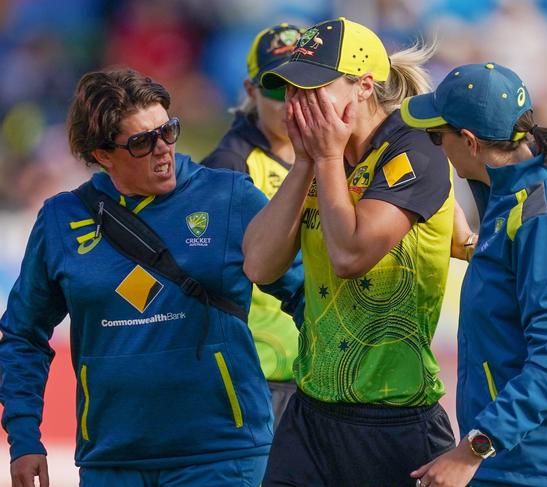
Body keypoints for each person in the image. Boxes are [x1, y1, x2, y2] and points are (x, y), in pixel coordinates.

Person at [0, 68, 302, 487]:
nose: (163, 149)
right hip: (111, 460)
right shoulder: (60, 218)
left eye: (168, 131)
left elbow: (306, 296)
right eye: (143, 141)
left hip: (222, 454)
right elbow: (22, 334)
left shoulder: (230, 196)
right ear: (103, 155)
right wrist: (24, 438)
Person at [243, 17, 474, 487]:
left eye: (314, 88)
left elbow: (350, 256)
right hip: (309, 414)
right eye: (290, 88)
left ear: (364, 87)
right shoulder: (320, 158)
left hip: (393, 420)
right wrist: (307, 160)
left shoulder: (416, 150)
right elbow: (259, 264)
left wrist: (324, 159)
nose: (297, 103)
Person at [401, 62, 547, 486]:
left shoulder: (544, 220)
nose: (435, 147)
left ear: (469, 142)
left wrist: (470, 451)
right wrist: (474, 247)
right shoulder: (515, 197)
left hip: (546, 469)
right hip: (511, 460)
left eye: (436, 136)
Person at [202, 23, 303, 429]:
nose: (292, 101)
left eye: (304, 85)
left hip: (322, 372)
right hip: (262, 377)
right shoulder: (230, 166)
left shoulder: (334, 155)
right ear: (250, 90)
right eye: (278, 87)